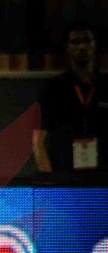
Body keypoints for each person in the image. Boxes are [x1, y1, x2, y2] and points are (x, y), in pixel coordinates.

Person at [33, 21, 108, 173]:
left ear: (95, 45)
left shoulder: (106, 86)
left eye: (87, 40)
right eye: (75, 41)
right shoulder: (53, 89)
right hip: (65, 176)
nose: (82, 46)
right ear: (67, 47)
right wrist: (51, 182)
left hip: (103, 177)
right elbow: (38, 142)